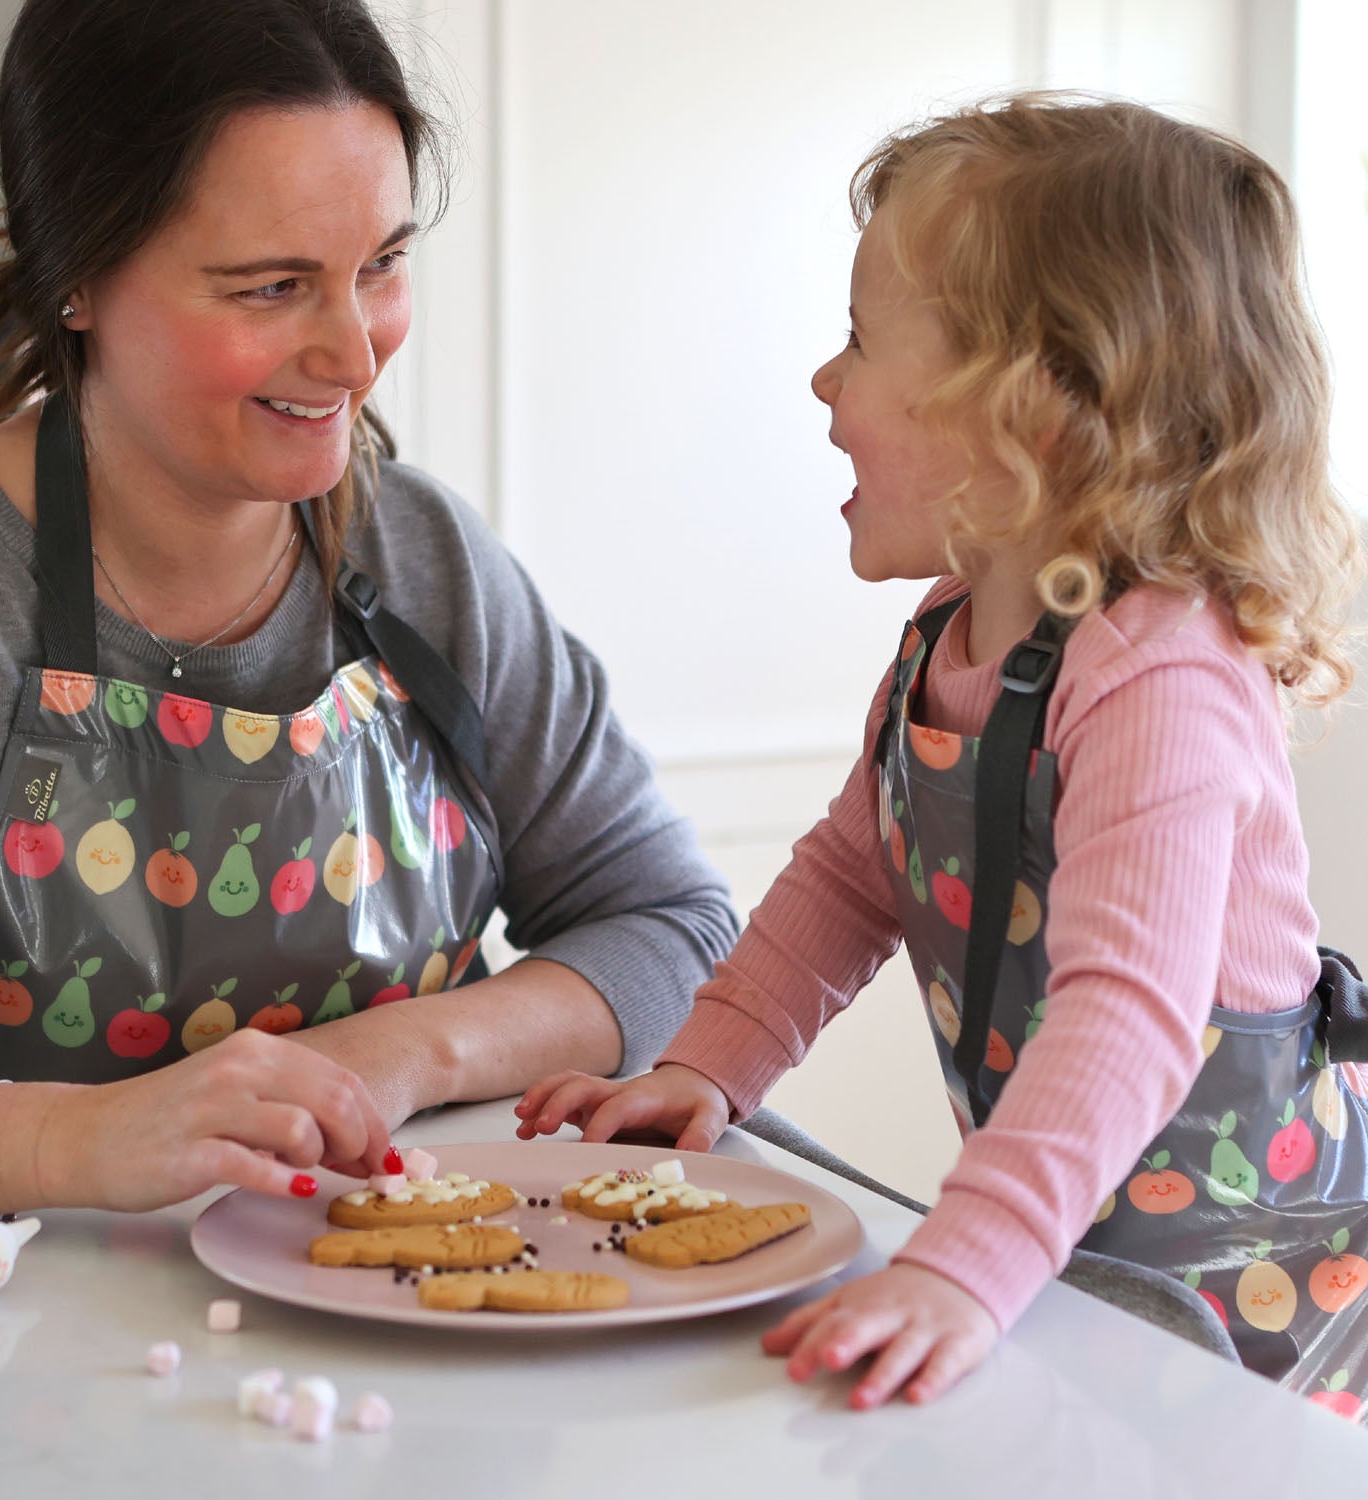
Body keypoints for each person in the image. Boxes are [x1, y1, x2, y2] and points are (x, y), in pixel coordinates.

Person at [516, 94, 1368, 1417]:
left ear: (1029, 412)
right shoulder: (944, 641)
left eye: (859, 341)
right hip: (1085, 1266)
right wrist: (704, 1067)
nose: (825, 381)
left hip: (1254, 1297)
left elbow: (1129, 1015)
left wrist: (962, 1263)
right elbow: (850, 886)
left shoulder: (1164, 675)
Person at [0, 0, 738, 1224]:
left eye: (381, 264)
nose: (355, 353)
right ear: (74, 278)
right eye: (272, 288)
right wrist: (72, 1139)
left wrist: (400, 1056)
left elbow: (667, 921)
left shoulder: (423, 556)